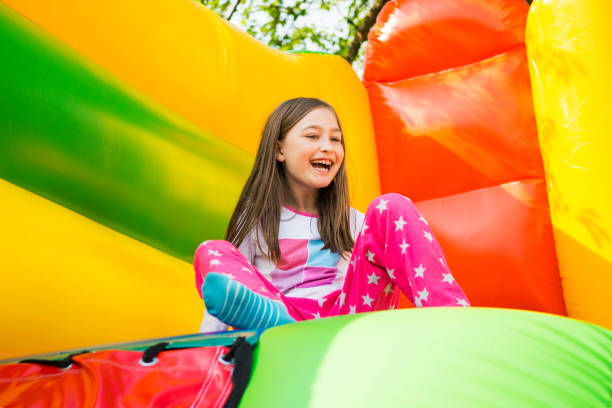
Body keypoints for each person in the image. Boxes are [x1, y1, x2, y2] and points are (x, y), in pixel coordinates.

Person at [194, 97, 469, 332]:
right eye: (313, 136)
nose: (327, 146)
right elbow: (227, 284)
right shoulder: (258, 219)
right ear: (279, 149)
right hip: (284, 320)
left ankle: (454, 319)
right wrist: (208, 352)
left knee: (390, 205)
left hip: (348, 319)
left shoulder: (356, 222)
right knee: (212, 250)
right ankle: (274, 319)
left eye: (335, 139)